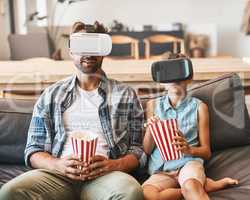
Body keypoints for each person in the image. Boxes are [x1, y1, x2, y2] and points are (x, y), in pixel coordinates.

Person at [0, 21, 145, 200]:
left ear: (103, 51)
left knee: (131, 193)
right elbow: (33, 149)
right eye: (82, 45)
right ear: (71, 51)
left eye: (94, 46)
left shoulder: (126, 95)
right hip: (58, 176)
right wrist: (58, 164)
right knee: (9, 192)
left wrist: (113, 165)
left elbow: (137, 150)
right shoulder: (51, 95)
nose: (88, 53)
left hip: (107, 177)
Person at [142, 54, 238, 200]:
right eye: (169, 74)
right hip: (161, 170)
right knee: (148, 194)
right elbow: (147, 150)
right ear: (162, 80)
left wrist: (189, 149)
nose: (174, 80)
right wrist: (151, 128)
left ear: (189, 77)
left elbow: (206, 152)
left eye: (179, 74)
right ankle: (205, 185)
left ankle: (196, 186)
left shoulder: (199, 108)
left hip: (188, 164)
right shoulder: (153, 105)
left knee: (191, 186)